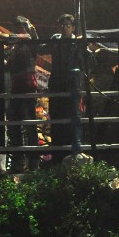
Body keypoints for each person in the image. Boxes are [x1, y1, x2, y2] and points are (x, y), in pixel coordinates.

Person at [0, 16, 39, 172]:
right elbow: (9, 67)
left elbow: (18, 37)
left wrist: (4, 37)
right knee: (14, 123)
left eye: (21, 26)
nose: (18, 29)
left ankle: (33, 161)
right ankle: (19, 160)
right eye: (16, 26)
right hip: (17, 88)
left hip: (28, 87)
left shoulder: (28, 40)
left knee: (29, 124)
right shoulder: (15, 48)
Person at [46, 13, 86, 162]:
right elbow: (40, 47)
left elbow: (88, 63)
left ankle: (70, 155)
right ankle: (57, 156)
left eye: (67, 25)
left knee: (72, 119)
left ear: (73, 27)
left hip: (70, 86)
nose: (64, 28)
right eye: (62, 25)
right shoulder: (55, 40)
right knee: (56, 119)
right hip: (57, 84)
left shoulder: (77, 43)